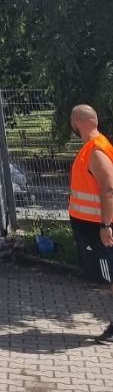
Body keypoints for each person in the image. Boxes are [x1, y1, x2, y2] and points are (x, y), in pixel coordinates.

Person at [68, 103, 113, 340]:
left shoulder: (95, 149)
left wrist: (105, 226)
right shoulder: (93, 147)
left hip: (99, 229)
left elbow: (108, 190)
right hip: (92, 227)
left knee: (110, 276)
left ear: (77, 121)